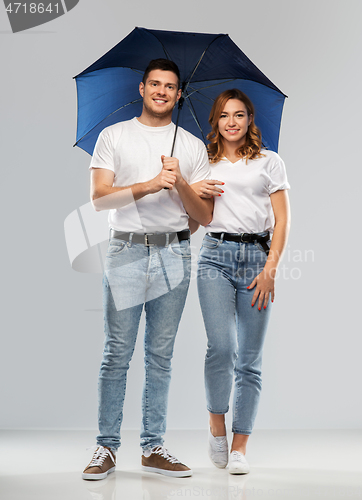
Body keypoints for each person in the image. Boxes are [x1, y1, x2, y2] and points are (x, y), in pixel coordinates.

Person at [82, 59, 213, 480]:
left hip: (175, 252)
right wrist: (150, 184)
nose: (161, 91)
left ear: (179, 94)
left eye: (170, 86)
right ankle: (106, 447)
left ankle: (153, 446)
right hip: (126, 251)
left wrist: (180, 185)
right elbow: (100, 198)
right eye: (154, 84)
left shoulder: (192, 146)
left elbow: (205, 217)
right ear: (142, 89)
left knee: (161, 356)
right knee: (116, 354)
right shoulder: (114, 136)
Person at [192, 89, 290, 474]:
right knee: (221, 348)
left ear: (250, 119)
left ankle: (239, 448)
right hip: (214, 255)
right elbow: (196, 219)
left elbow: (282, 220)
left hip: (257, 260)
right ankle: (217, 427)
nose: (231, 122)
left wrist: (271, 270)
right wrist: (191, 189)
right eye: (223, 115)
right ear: (215, 122)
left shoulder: (270, 162)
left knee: (249, 359)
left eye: (239, 114)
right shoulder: (203, 163)